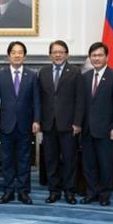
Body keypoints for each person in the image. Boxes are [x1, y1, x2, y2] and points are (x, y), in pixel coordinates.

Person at [0, 41, 41, 204]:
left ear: (24, 56)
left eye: (20, 52)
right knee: (7, 159)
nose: (17, 55)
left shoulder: (32, 75)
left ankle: (24, 191)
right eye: (14, 52)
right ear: (8, 55)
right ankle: (9, 190)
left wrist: (36, 120)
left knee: (24, 159)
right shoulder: (0, 75)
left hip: (26, 124)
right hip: (6, 124)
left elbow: (36, 101)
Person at [37, 40, 83, 204]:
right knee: (51, 160)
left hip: (69, 124)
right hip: (48, 124)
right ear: (50, 55)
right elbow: (39, 99)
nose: (57, 55)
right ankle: (53, 191)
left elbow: (80, 99)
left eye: (61, 52)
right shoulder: (43, 72)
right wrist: (38, 120)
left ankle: (69, 191)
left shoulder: (75, 71)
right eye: (54, 52)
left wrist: (77, 122)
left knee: (70, 159)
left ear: (66, 54)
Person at [80, 42, 113, 206]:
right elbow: (82, 104)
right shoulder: (84, 77)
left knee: (106, 165)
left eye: (100, 55)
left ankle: (105, 195)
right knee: (88, 164)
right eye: (94, 55)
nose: (96, 58)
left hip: (107, 130)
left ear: (106, 57)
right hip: (87, 129)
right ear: (90, 58)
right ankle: (91, 192)